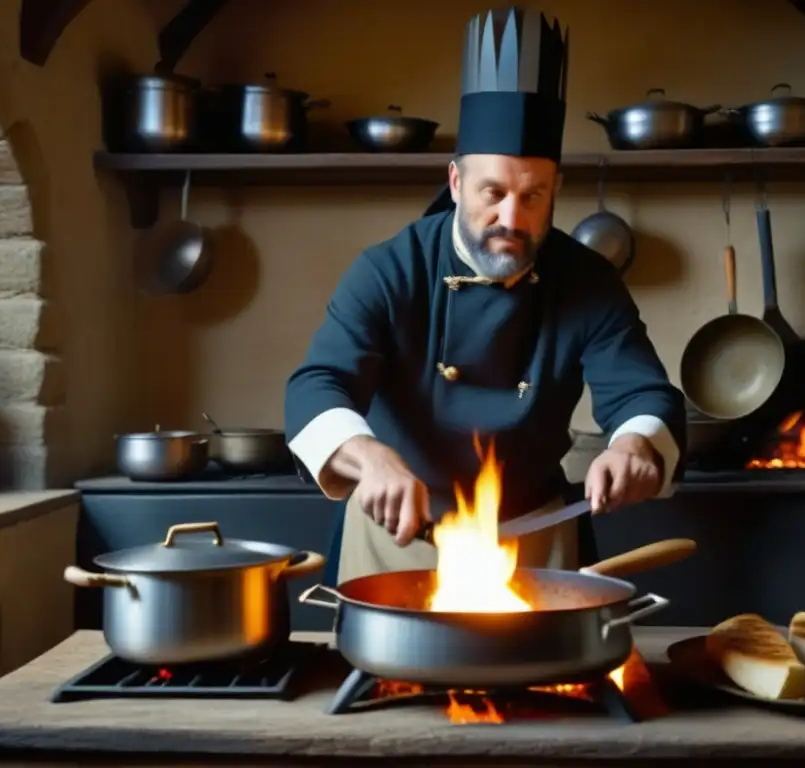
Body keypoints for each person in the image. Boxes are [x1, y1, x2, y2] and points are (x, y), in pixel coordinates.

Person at [285, 6, 686, 584]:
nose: (510, 217)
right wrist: (369, 458)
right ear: (455, 182)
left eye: (533, 196)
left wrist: (634, 446)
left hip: (536, 542)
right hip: (402, 541)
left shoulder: (587, 279)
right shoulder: (390, 269)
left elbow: (643, 393)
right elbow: (316, 386)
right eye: (492, 192)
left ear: (556, 191)